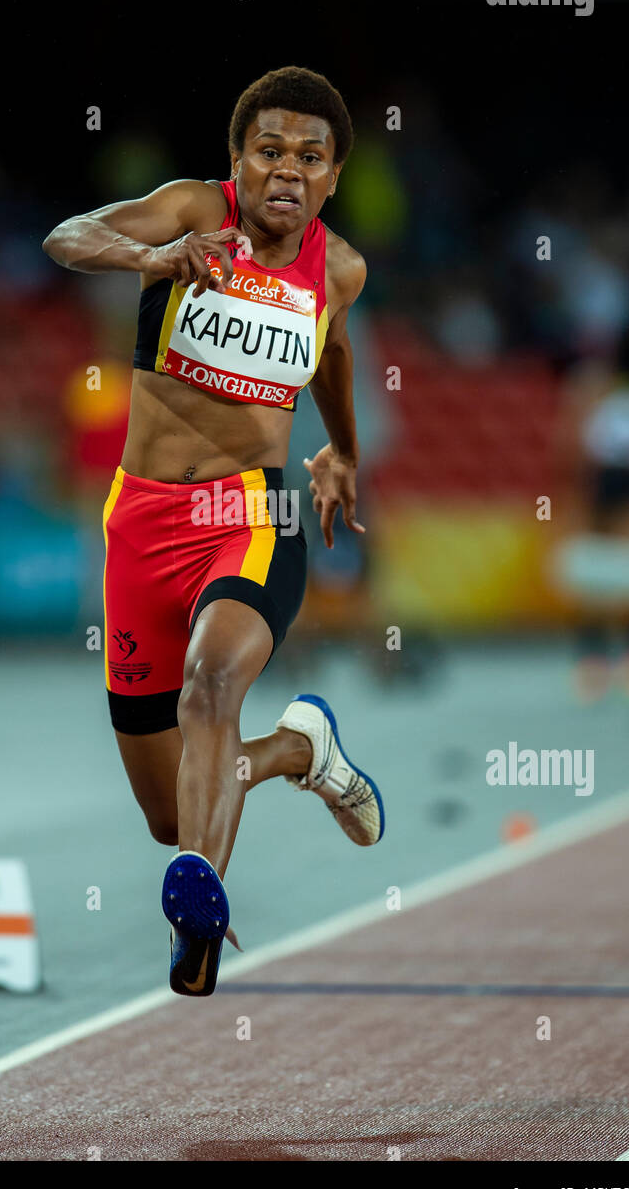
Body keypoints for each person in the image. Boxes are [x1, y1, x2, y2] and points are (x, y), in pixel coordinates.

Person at [43, 66, 383, 997]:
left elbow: (335, 354)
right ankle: (297, 751)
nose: (287, 172)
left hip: (253, 515)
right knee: (168, 813)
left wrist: (342, 453)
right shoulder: (194, 209)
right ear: (238, 159)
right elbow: (67, 236)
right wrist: (147, 260)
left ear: (332, 176)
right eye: (269, 151)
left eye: (309, 158)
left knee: (210, 685)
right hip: (141, 524)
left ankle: (197, 920)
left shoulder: (338, 269)